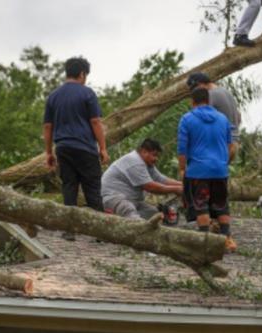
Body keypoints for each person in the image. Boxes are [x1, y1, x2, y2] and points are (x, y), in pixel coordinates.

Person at [43, 56, 108, 241]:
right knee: (93, 188)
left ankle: (69, 230)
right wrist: (102, 148)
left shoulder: (53, 96)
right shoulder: (87, 93)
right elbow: (95, 121)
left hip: (63, 147)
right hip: (85, 148)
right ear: (82, 73)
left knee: (69, 186)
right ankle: (101, 232)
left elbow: (48, 127)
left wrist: (49, 152)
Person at [177, 87, 237, 252]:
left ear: (192, 102)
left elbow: (182, 150)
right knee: (221, 205)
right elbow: (231, 145)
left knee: (201, 204)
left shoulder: (187, 119)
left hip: (198, 170)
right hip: (220, 170)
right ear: (209, 101)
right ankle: (227, 240)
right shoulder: (223, 119)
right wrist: (223, 163)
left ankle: (204, 241)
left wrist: (182, 169)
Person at [101, 138, 182, 220]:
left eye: (157, 156)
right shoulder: (134, 161)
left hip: (132, 200)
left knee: (152, 212)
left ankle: (134, 223)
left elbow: (161, 179)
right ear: (144, 151)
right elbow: (151, 187)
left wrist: (185, 185)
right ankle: (133, 224)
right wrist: (176, 189)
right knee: (128, 209)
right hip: (114, 199)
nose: (156, 159)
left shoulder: (147, 164)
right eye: (154, 155)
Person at [186, 72, 241, 161]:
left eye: (194, 89)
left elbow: (200, 120)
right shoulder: (226, 92)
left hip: (222, 145)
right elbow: (238, 117)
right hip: (234, 144)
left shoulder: (210, 95)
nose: (194, 93)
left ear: (200, 84)